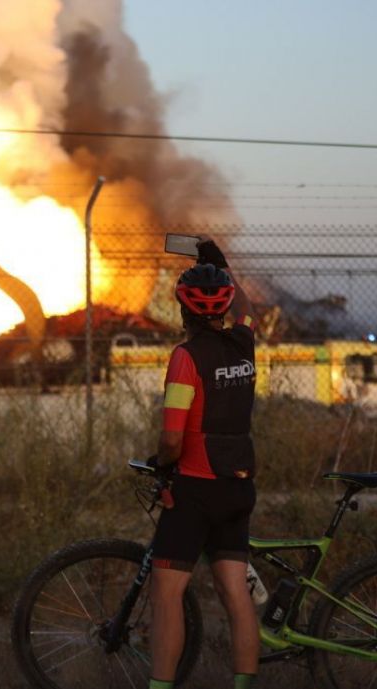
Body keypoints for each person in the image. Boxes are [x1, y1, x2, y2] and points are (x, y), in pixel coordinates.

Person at [147, 237, 259, 689]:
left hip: (195, 490)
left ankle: (160, 686)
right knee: (235, 593)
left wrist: (161, 466)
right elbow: (247, 311)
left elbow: (172, 437)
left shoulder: (185, 358)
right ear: (224, 305)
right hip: (238, 486)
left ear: (183, 310)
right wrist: (223, 267)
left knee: (166, 593)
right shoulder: (244, 344)